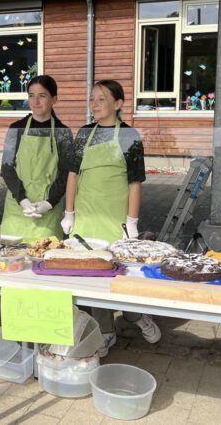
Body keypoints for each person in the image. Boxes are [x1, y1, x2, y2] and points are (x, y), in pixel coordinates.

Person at [62, 79, 161, 356]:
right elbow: (72, 175)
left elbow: (134, 183)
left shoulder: (129, 136)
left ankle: (135, 316)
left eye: (101, 99)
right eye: (92, 99)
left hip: (114, 220)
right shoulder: (83, 134)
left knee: (117, 277)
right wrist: (69, 212)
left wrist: (132, 222)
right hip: (84, 221)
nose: (94, 104)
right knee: (91, 278)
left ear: (118, 104)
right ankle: (105, 331)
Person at [0, 75, 73, 240]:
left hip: (47, 209)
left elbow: (66, 172)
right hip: (17, 208)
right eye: (31, 95)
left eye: (42, 95)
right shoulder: (15, 128)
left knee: (45, 254)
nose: (36, 101)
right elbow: (6, 168)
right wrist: (23, 200)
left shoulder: (63, 132)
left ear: (54, 99)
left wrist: (49, 203)